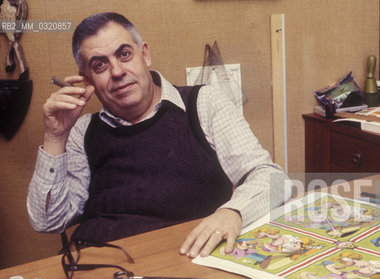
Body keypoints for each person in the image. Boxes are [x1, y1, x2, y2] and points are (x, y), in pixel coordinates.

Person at [27, 12, 289, 258]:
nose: (117, 72)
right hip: (98, 264)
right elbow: (49, 221)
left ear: (145, 55)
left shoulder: (204, 104)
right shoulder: (83, 131)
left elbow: (272, 178)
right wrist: (55, 137)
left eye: (124, 54)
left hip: (185, 258)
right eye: (100, 65)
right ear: (87, 80)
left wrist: (233, 212)